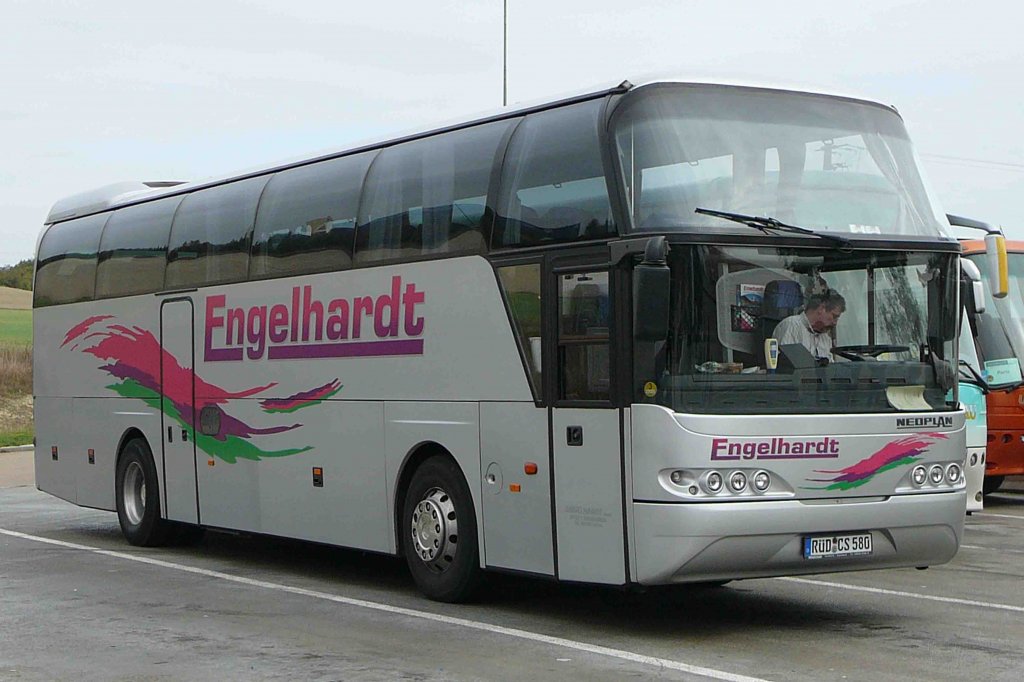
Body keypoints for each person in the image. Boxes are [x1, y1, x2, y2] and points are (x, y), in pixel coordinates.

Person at [773, 289, 846, 361]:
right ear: (821, 309)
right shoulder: (791, 326)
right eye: (834, 316)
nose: (835, 322)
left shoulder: (825, 338)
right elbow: (785, 363)